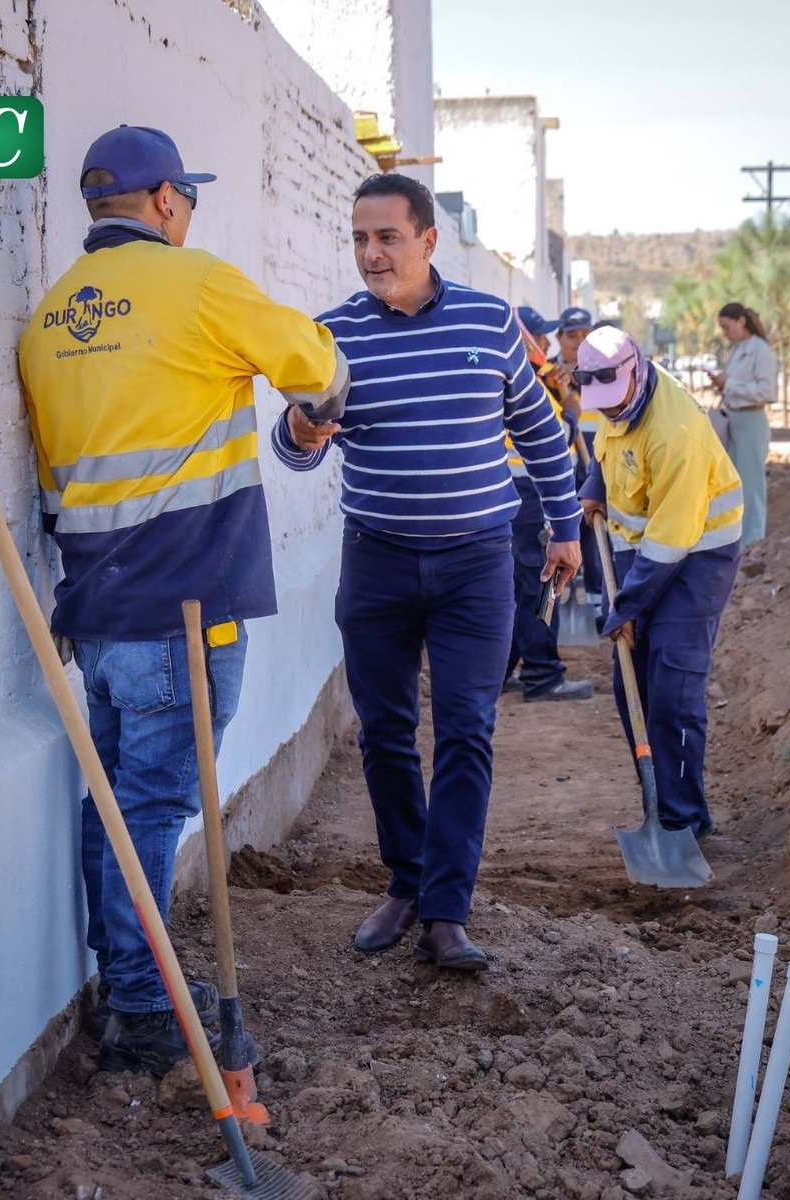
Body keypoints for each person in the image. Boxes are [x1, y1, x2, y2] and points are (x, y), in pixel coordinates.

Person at [18, 125, 349, 1075]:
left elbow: (52, 482)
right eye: (188, 196)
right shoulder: (195, 282)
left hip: (100, 607)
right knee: (155, 805)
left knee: (116, 802)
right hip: (187, 605)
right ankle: (137, 1001)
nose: (191, 210)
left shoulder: (51, 320)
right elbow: (317, 369)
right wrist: (317, 407)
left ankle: (129, 979)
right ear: (165, 200)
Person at [271, 174, 582, 970]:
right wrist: (304, 432)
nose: (371, 254)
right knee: (383, 732)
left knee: (468, 731)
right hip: (375, 559)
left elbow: (541, 432)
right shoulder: (331, 336)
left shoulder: (489, 320)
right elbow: (291, 445)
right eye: (360, 240)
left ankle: (448, 911)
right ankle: (406, 884)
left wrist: (565, 526)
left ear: (428, 241)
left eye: (387, 238)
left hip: (476, 561)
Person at [577, 326, 743, 839]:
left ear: (637, 369)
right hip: (640, 550)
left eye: (613, 397)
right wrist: (594, 487)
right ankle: (661, 804)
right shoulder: (615, 402)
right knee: (633, 684)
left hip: (697, 557)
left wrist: (626, 606)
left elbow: (672, 541)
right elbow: (610, 447)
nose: (607, 408)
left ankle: (683, 819)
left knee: (671, 688)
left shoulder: (677, 434)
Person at [503, 307, 594, 701]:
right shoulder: (521, 384)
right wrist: (571, 413)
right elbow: (553, 435)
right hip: (530, 492)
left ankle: (501, 669)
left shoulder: (533, 380)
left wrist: (559, 392)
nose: (545, 346)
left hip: (524, 492)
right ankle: (541, 674)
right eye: (538, 339)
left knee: (523, 584)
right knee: (541, 582)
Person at [707, 303, 778, 546]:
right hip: (733, 418)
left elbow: (766, 391)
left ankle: (754, 540)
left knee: (752, 484)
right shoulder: (737, 349)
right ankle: (738, 538)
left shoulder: (761, 350)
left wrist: (730, 383)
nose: (725, 333)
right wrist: (722, 383)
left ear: (741, 321)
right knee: (734, 483)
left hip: (751, 421)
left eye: (727, 327)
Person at [551, 307, 603, 625]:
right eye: (572, 335)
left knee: (594, 542)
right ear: (560, 339)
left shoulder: (601, 373)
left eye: (586, 335)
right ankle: (554, 608)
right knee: (560, 540)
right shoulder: (548, 376)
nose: (579, 341)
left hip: (595, 466)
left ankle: (598, 610)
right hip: (562, 470)